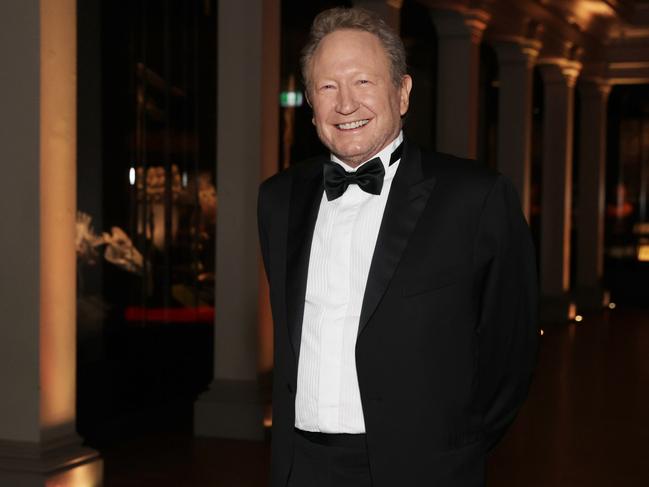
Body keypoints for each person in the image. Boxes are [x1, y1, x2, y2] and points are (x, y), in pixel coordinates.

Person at [258, 7, 538, 487]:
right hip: (299, 466)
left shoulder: (475, 198)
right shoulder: (278, 198)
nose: (346, 104)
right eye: (328, 87)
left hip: (421, 467)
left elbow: (509, 352)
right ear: (310, 102)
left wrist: (453, 446)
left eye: (363, 82)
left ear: (402, 92)